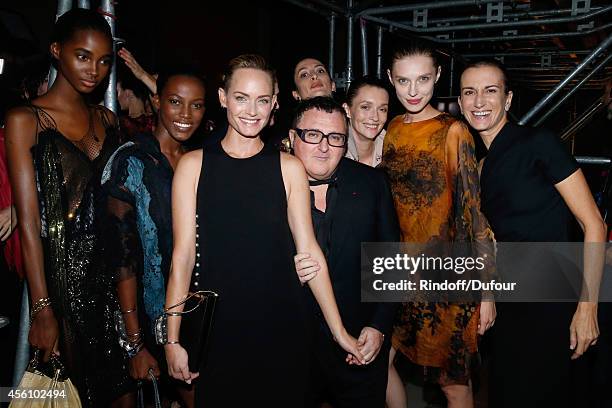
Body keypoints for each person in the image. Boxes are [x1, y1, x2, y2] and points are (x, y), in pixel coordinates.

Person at [164, 54, 363, 407]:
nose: (252, 110)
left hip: (284, 326)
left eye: (262, 100)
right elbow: (182, 257)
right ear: (223, 98)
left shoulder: (288, 168)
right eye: (241, 98)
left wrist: (339, 332)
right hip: (220, 332)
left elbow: (309, 251)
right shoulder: (192, 166)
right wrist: (172, 339)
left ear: (275, 104)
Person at [458, 59, 605, 408]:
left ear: (507, 100)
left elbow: (593, 224)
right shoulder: (480, 164)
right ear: (461, 102)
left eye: (490, 91)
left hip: (553, 300)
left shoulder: (540, 144)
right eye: (469, 92)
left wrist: (588, 308)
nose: (479, 101)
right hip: (511, 303)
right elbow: (490, 240)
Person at [4, 8, 132, 407]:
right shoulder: (27, 118)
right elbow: (28, 223)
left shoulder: (109, 121)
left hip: (111, 286)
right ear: (57, 51)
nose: (94, 70)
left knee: (123, 396)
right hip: (63, 289)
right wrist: (43, 309)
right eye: (83, 56)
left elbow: (119, 216)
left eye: (104, 60)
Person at [382, 42, 495, 408]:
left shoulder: (454, 131)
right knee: (378, 360)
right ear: (390, 80)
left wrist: (488, 293)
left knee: (453, 385)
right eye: (403, 81)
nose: (413, 91)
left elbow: (473, 214)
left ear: (437, 77)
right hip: (400, 272)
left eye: (423, 79)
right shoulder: (393, 129)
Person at [102, 68, 206, 407]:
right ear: (156, 101)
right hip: (143, 322)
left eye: (196, 105)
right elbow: (122, 259)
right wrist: (134, 342)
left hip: (192, 317)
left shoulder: (202, 162)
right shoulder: (130, 162)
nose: (186, 115)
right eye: (176, 102)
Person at [291, 96, 400, 407]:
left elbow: (392, 260)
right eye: (312, 135)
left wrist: (379, 326)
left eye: (335, 138)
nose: (324, 147)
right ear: (291, 137)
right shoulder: (268, 186)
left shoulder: (372, 183)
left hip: (361, 345)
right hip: (291, 348)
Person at [342, 76, 389, 167]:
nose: (375, 117)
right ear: (347, 110)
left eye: (382, 109)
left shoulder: (394, 148)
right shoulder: (333, 151)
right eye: (365, 107)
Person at [116, 74, 155, 142]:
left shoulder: (121, 123)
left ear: (128, 93)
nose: (117, 98)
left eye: (118, 91)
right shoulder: (154, 121)